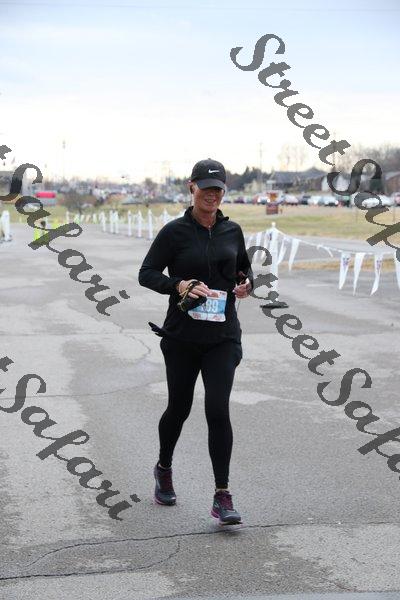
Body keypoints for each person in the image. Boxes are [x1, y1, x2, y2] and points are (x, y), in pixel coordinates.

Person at [138, 158, 254, 526]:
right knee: (179, 407)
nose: (212, 195)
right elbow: (146, 273)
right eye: (206, 188)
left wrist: (247, 284)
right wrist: (178, 284)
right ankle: (164, 468)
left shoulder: (232, 230)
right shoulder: (174, 232)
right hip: (182, 338)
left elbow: (243, 268)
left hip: (223, 337)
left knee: (218, 409)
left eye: (218, 189)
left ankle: (223, 495)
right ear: (192, 188)